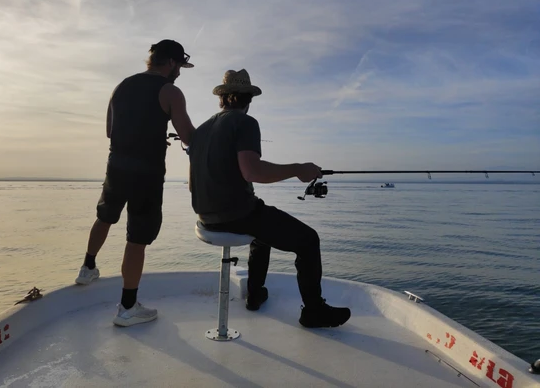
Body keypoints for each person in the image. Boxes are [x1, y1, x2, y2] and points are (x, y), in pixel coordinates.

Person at [188, 69, 351, 328]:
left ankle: (255, 294)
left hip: (205, 217)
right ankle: (314, 311)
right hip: (235, 215)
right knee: (308, 240)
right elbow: (252, 171)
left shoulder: (202, 129)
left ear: (221, 99)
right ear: (249, 99)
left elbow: (192, 182)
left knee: (261, 234)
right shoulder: (245, 123)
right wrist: (297, 169)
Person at [76, 39, 196, 327]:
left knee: (105, 216)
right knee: (137, 238)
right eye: (179, 65)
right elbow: (190, 137)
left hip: (116, 165)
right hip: (147, 174)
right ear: (170, 62)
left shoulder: (122, 86)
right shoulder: (170, 91)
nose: (179, 71)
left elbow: (110, 131)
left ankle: (87, 267)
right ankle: (128, 307)